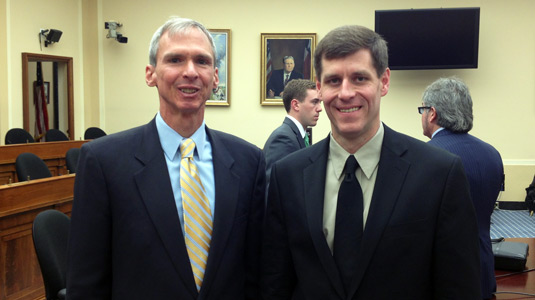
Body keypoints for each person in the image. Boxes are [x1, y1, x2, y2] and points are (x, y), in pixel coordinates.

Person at [261, 25, 481, 299]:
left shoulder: (439, 174)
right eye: (332, 81)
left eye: (359, 78)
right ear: (319, 88)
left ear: (384, 81)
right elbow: (274, 283)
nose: (345, 93)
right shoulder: (289, 175)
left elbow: (459, 288)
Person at [66, 17, 265, 300]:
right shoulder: (103, 162)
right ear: (151, 74)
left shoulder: (249, 161)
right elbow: (86, 283)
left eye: (202, 61)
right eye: (175, 60)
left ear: (215, 77)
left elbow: (255, 272)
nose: (191, 71)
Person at [420, 77, 504, 300]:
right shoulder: (492, 154)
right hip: (484, 273)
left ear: (432, 113)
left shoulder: (423, 157)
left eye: (422, 110)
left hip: (441, 280)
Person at [264, 79, 322, 190]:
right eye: (315, 102)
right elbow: (274, 192)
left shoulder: (298, 135)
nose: (320, 108)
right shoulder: (283, 139)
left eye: (320, 102)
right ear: (295, 105)